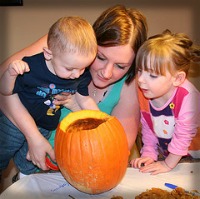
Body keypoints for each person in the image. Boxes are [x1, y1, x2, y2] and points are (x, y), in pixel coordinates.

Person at [0, 5, 148, 176]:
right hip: (34, 170)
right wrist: (33, 136)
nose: (106, 73)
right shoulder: (63, 44)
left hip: (81, 175)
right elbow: (5, 88)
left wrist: (76, 107)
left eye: (121, 66)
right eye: (100, 57)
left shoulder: (130, 85)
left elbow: (116, 149)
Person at [0, 16, 99, 176]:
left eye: (83, 68)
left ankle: (22, 183)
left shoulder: (80, 73)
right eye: (70, 69)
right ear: (48, 54)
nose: (77, 75)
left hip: (45, 126)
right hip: (14, 123)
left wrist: (101, 121)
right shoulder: (30, 66)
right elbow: (5, 91)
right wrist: (10, 74)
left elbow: (84, 99)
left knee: (31, 163)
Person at [130, 29, 200, 175]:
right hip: (169, 157)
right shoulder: (145, 91)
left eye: (153, 75)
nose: (141, 79)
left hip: (194, 157)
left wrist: (167, 165)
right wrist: (149, 153)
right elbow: (149, 127)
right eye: (140, 70)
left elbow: (183, 137)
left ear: (178, 79)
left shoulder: (189, 98)